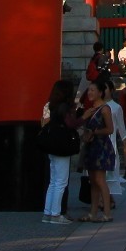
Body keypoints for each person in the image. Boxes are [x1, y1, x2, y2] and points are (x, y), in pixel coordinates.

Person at [40, 78, 80, 224]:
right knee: (61, 182)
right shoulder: (64, 107)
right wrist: (83, 116)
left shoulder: (52, 105)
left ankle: (48, 212)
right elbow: (72, 124)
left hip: (52, 143)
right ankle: (56, 213)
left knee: (53, 181)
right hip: (62, 144)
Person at [77, 80, 116, 222]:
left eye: (93, 90)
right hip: (91, 147)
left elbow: (110, 129)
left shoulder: (105, 109)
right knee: (92, 181)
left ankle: (107, 213)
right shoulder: (91, 109)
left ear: (100, 92)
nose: (90, 93)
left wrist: (95, 132)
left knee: (100, 180)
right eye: (89, 90)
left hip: (101, 147)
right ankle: (92, 213)